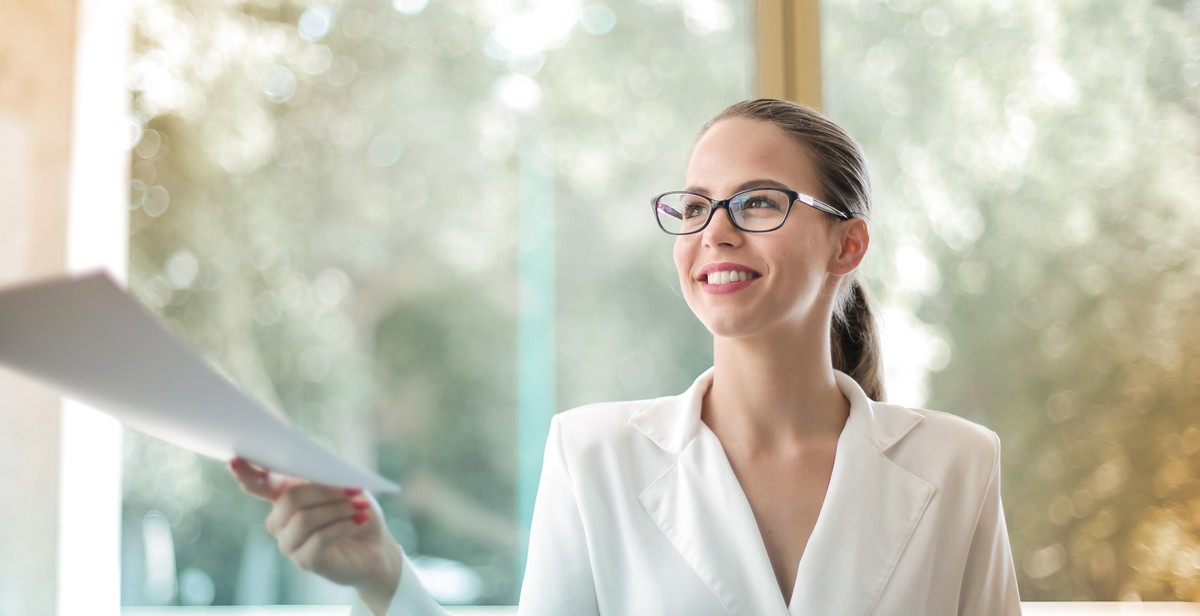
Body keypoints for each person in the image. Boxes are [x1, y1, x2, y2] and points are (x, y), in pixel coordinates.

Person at [230, 98, 1022, 615]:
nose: (715, 230)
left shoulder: (956, 464)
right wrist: (383, 575)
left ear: (847, 244)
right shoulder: (592, 455)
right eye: (696, 205)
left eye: (756, 201)